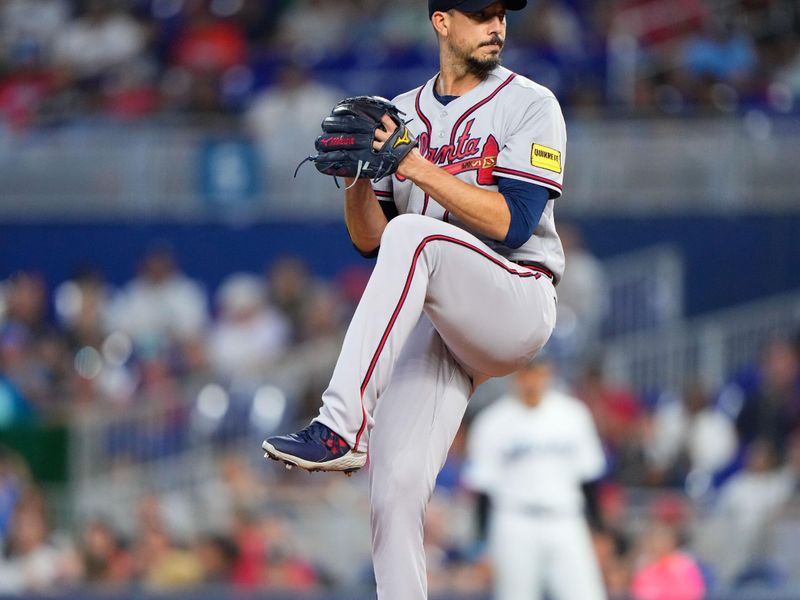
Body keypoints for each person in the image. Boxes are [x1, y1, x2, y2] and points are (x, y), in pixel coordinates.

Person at [263, 1, 566, 598]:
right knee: (394, 491)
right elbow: (372, 240)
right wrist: (354, 180)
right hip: (442, 317)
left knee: (416, 232)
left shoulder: (532, 104)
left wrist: (412, 165)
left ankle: (340, 425)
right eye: (481, 14)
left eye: (502, 14)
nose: (497, 26)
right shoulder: (398, 114)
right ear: (442, 21)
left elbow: (513, 222)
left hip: (516, 297)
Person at [464, 357, 607, 600]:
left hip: (566, 518)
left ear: (549, 373)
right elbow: (483, 487)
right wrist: (482, 542)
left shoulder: (573, 415)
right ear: (515, 376)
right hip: (514, 519)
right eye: (526, 373)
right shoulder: (492, 422)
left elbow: (589, 479)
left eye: (538, 372)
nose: (532, 380)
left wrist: (600, 530)